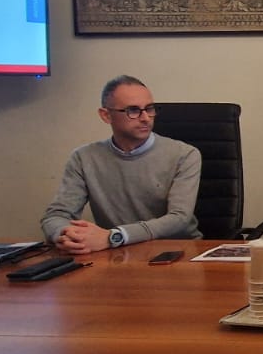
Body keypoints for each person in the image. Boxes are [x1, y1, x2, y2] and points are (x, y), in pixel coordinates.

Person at [41, 75, 201, 255]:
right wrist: (66, 235)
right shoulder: (83, 158)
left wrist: (114, 237)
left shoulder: (184, 154)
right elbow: (56, 216)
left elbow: (179, 218)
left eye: (149, 108)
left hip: (177, 252)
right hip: (117, 254)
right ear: (106, 115)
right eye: (133, 110)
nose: (146, 118)